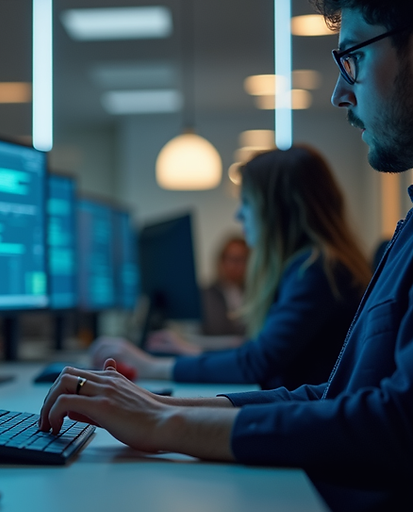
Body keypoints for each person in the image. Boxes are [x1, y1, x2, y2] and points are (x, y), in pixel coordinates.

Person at [38, 0, 413, 512]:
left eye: (352, 56)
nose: (339, 92)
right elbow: (335, 395)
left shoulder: (320, 269)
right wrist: (161, 406)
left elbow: (395, 423)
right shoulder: (405, 232)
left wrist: (169, 422)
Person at [92, 147, 370, 391]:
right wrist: (193, 352)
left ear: (278, 210)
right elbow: (262, 348)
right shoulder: (319, 264)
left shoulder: (316, 270)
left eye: (247, 203)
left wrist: (151, 367)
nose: (239, 215)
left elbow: (257, 363)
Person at [200, 236, 249, 337]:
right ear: (221, 260)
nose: (235, 266)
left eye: (241, 259)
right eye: (231, 259)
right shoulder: (205, 295)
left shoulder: (257, 293)